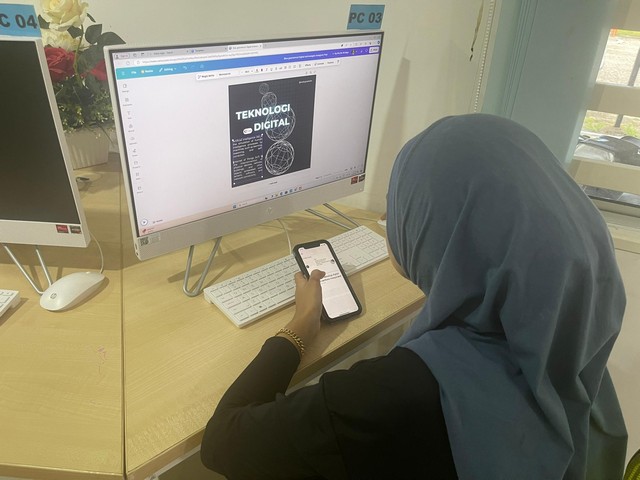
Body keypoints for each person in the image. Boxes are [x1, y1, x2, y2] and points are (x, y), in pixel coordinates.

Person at [201, 114, 627, 479]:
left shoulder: (389, 399)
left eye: (405, 205)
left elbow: (222, 441)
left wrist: (297, 330)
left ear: (446, 234)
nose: (390, 217)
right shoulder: (573, 344)